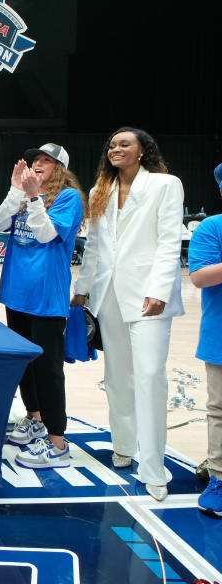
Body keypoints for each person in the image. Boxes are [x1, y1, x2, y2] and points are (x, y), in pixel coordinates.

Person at [72, 127, 183, 501]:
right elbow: (95, 248)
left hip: (149, 295)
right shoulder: (99, 191)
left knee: (150, 376)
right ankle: (123, 445)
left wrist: (159, 289)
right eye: (112, 145)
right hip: (109, 296)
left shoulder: (166, 185)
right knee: (117, 376)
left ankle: (153, 468)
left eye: (124, 144)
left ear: (142, 151)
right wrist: (82, 289)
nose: (115, 149)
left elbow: (170, 241)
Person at [0, 144, 84, 468]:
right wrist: (16, 190)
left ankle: (57, 443)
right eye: (36, 160)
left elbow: (45, 235)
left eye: (47, 160)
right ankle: (34, 418)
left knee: (48, 370)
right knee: (25, 365)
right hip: (17, 292)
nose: (39, 164)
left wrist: (33, 198)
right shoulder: (24, 195)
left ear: (60, 168)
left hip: (46, 297)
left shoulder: (69, 198)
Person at [190, 162, 222, 517]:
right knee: (220, 411)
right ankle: (219, 477)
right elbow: (200, 277)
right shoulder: (213, 228)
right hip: (220, 336)